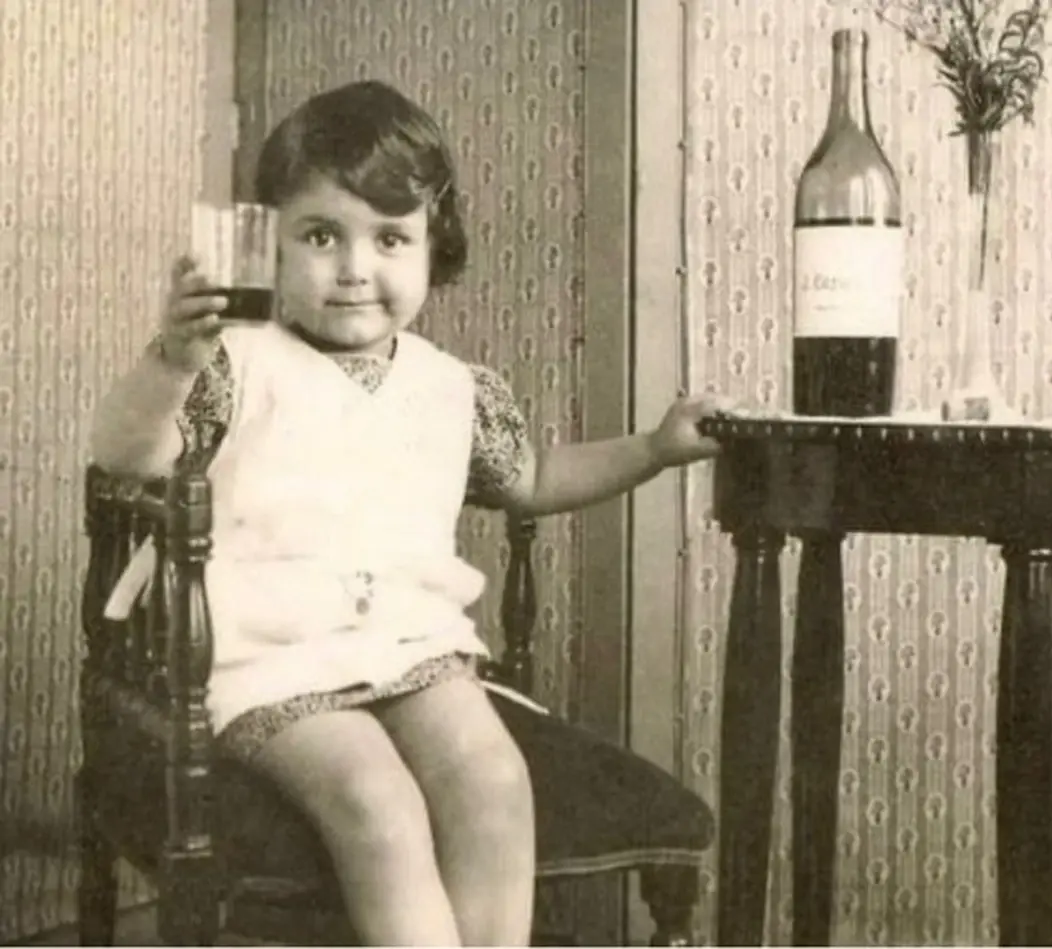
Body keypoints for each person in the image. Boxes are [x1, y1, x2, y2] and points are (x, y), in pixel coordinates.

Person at [90, 79, 730, 947]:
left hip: (413, 649)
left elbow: (533, 476)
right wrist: (172, 360)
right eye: (321, 236)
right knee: (376, 800)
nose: (356, 268)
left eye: (390, 238)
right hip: (273, 659)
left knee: (494, 778)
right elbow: (127, 454)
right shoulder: (235, 363)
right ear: (269, 245)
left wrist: (652, 448)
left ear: (436, 246)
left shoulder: (450, 387)